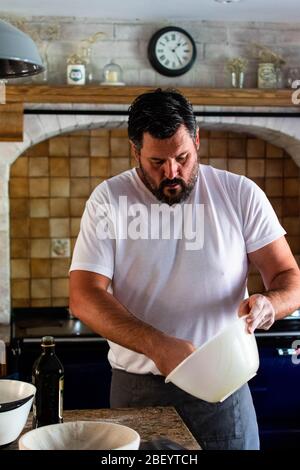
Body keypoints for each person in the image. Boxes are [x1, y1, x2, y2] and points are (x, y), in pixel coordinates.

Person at [69, 88, 300, 450]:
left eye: (182, 157)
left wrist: (272, 303)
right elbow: (83, 297)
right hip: (138, 391)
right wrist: (156, 345)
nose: (172, 172)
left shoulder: (240, 194)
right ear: (135, 152)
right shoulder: (109, 200)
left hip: (224, 389)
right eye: (156, 162)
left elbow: (290, 279)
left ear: (196, 140)